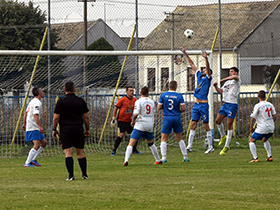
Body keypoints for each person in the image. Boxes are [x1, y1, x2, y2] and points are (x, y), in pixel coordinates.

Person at [52, 81, 90, 181]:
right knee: (80, 152)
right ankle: (84, 175)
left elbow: (56, 118)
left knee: (68, 152)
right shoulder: (80, 101)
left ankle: (71, 176)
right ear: (74, 89)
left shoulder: (61, 101)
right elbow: (86, 117)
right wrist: (87, 129)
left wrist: (54, 129)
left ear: (64, 89)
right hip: (78, 128)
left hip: (65, 129)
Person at [181, 47, 214, 154]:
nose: (204, 70)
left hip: (204, 105)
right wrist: (185, 53)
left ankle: (210, 146)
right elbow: (191, 64)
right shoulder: (199, 75)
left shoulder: (208, 78)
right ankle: (189, 146)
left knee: (205, 125)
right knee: (193, 124)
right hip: (196, 104)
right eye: (204, 69)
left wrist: (206, 58)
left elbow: (208, 69)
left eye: (205, 69)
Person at [123, 86, 162, 166]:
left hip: (140, 124)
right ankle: (158, 160)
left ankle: (126, 160)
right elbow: (154, 112)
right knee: (151, 143)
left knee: (131, 143)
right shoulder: (152, 102)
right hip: (149, 125)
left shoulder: (138, 101)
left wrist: (133, 121)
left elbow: (136, 114)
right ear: (148, 93)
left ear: (140, 93)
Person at [158, 80, 189, 162]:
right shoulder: (179, 96)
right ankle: (185, 157)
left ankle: (164, 158)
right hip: (176, 117)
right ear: (176, 87)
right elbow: (184, 108)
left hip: (167, 117)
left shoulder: (163, 95)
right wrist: (178, 111)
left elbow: (159, 107)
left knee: (164, 138)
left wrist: (165, 108)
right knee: (180, 138)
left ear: (169, 87)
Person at [213, 67, 241, 155]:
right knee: (217, 121)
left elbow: (234, 77)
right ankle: (222, 136)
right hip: (225, 104)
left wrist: (223, 79)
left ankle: (226, 146)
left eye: (232, 71)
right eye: (229, 71)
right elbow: (221, 91)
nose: (230, 73)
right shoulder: (227, 82)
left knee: (229, 124)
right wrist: (215, 86)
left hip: (232, 105)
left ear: (236, 72)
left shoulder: (237, 80)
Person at [110, 86, 142, 156]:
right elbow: (116, 108)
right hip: (121, 120)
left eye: (133, 91)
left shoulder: (135, 100)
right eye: (130, 91)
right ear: (127, 92)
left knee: (134, 134)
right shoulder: (122, 100)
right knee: (121, 134)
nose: (132, 92)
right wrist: (114, 118)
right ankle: (114, 150)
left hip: (129, 121)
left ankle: (134, 149)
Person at [22, 87, 47, 167]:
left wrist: (24, 123)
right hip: (33, 126)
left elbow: (26, 113)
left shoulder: (32, 101)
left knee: (44, 143)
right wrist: (39, 126)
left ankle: (33, 159)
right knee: (36, 145)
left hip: (32, 125)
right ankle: (27, 162)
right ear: (39, 93)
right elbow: (35, 115)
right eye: (42, 91)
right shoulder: (37, 102)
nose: (42, 92)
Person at [249, 90, 276, 162]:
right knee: (265, 139)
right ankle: (270, 156)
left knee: (251, 141)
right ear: (265, 96)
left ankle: (255, 158)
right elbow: (274, 115)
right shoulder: (270, 104)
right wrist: (272, 123)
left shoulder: (258, 105)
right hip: (271, 127)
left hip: (262, 127)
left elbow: (253, 118)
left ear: (258, 97)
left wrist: (251, 127)